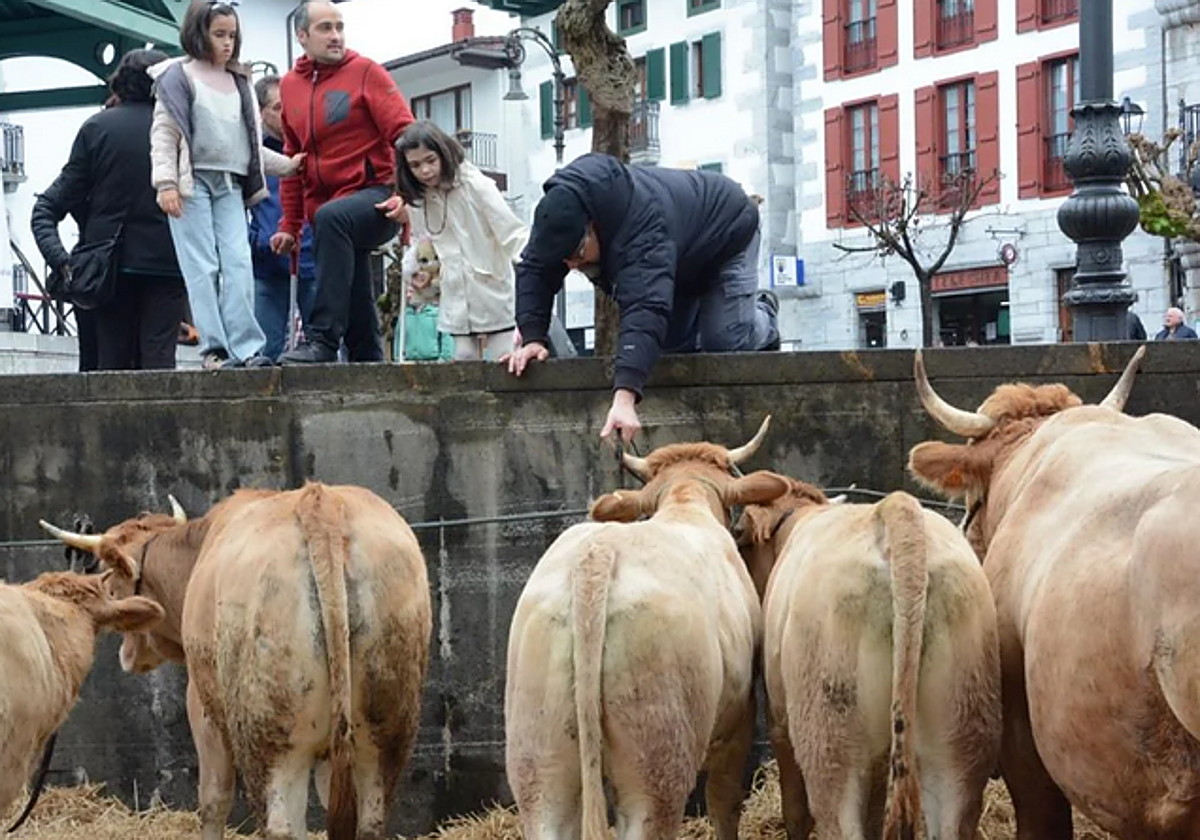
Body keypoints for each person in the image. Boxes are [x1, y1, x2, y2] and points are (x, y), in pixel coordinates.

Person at [503, 153, 780, 442]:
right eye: (565, 261)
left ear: (593, 225)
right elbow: (535, 269)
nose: (573, 266)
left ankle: (765, 314)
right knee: (672, 350)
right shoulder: (556, 216)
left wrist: (624, 398)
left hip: (728, 232)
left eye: (578, 255)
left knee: (724, 340)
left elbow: (644, 309)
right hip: (679, 260)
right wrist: (533, 338)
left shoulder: (642, 226)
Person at [148, 0, 303, 369]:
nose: (227, 42)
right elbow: (164, 134)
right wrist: (165, 183)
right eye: (219, 34)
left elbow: (249, 145)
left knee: (238, 263)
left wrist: (287, 166)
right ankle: (214, 349)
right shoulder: (177, 76)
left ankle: (246, 349)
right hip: (191, 182)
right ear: (198, 33)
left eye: (232, 35)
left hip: (231, 183)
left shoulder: (239, 80)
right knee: (202, 267)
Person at [272, 0, 415, 364]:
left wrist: (406, 196)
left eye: (339, 27)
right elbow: (293, 162)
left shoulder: (366, 72)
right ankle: (368, 360)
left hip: (378, 197)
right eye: (325, 28)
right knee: (352, 280)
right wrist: (289, 225)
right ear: (302, 36)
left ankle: (322, 339)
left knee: (332, 218)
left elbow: (407, 136)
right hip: (330, 211)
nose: (336, 36)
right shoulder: (289, 86)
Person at [30, 48, 187, 371]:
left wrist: (64, 263)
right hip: (169, 263)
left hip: (106, 268)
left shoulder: (97, 128)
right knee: (159, 363)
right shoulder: (183, 130)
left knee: (109, 365)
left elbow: (46, 209)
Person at [395, 120, 527, 361]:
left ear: (443, 154)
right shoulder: (418, 200)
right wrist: (420, 275)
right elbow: (423, 245)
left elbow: (510, 231)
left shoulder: (475, 184)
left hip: (491, 284)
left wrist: (535, 271)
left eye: (430, 160)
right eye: (415, 165)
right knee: (464, 357)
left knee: (503, 355)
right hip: (454, 289)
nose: (425, 171)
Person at [249, 74, 316, 359]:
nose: (286, 113)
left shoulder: (312, 147)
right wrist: (256, 241)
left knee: (322, 347)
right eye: (277, 107)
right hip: (267, 263)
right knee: (265, 351)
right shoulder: (253, 154)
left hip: (312, 259)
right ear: (260, 112)